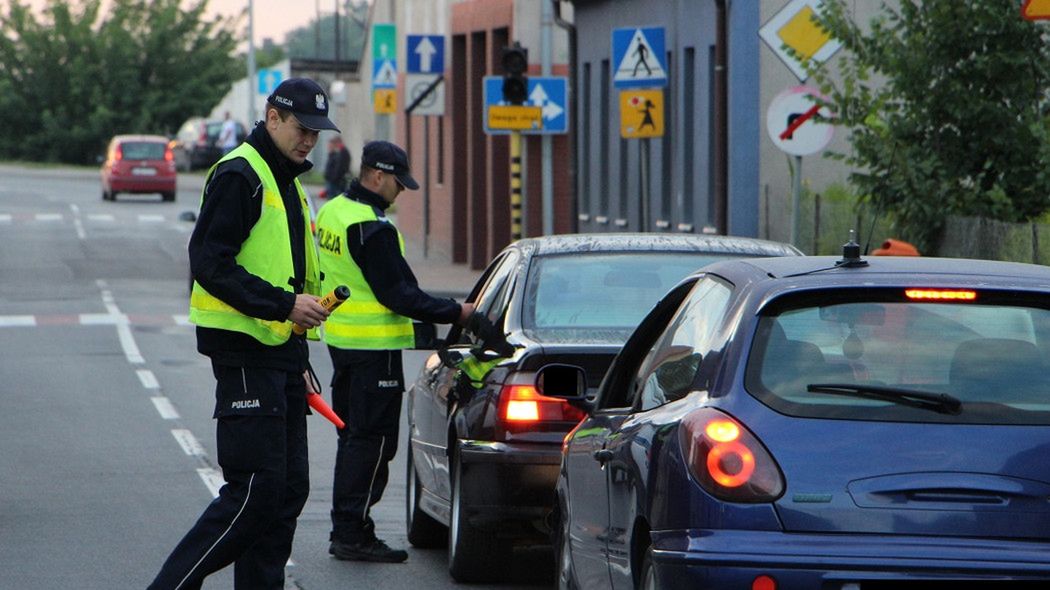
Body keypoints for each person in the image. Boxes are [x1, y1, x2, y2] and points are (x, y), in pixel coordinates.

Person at [149, 77, 339, 590]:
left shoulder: (288, 182)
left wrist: (298, 352)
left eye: (317, 133)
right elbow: (209, 262)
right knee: (255, 492)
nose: (309, 141)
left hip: (279, 352)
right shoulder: (242, 174)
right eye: (302, 129)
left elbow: (289, 272)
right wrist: (282, 306)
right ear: (272, 118)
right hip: (244, 349)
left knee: (288, 490)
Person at [315, 140, 475, 563]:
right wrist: (458, 312)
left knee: (354, 440)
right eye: (398, 183)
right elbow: (399, 295)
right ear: (378, 176)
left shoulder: (333, 211)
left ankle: (348, 528)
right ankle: (352, 533)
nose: (401, 191)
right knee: (373, 445)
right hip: (375, 350)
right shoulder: (373, 227)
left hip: (343, 344)